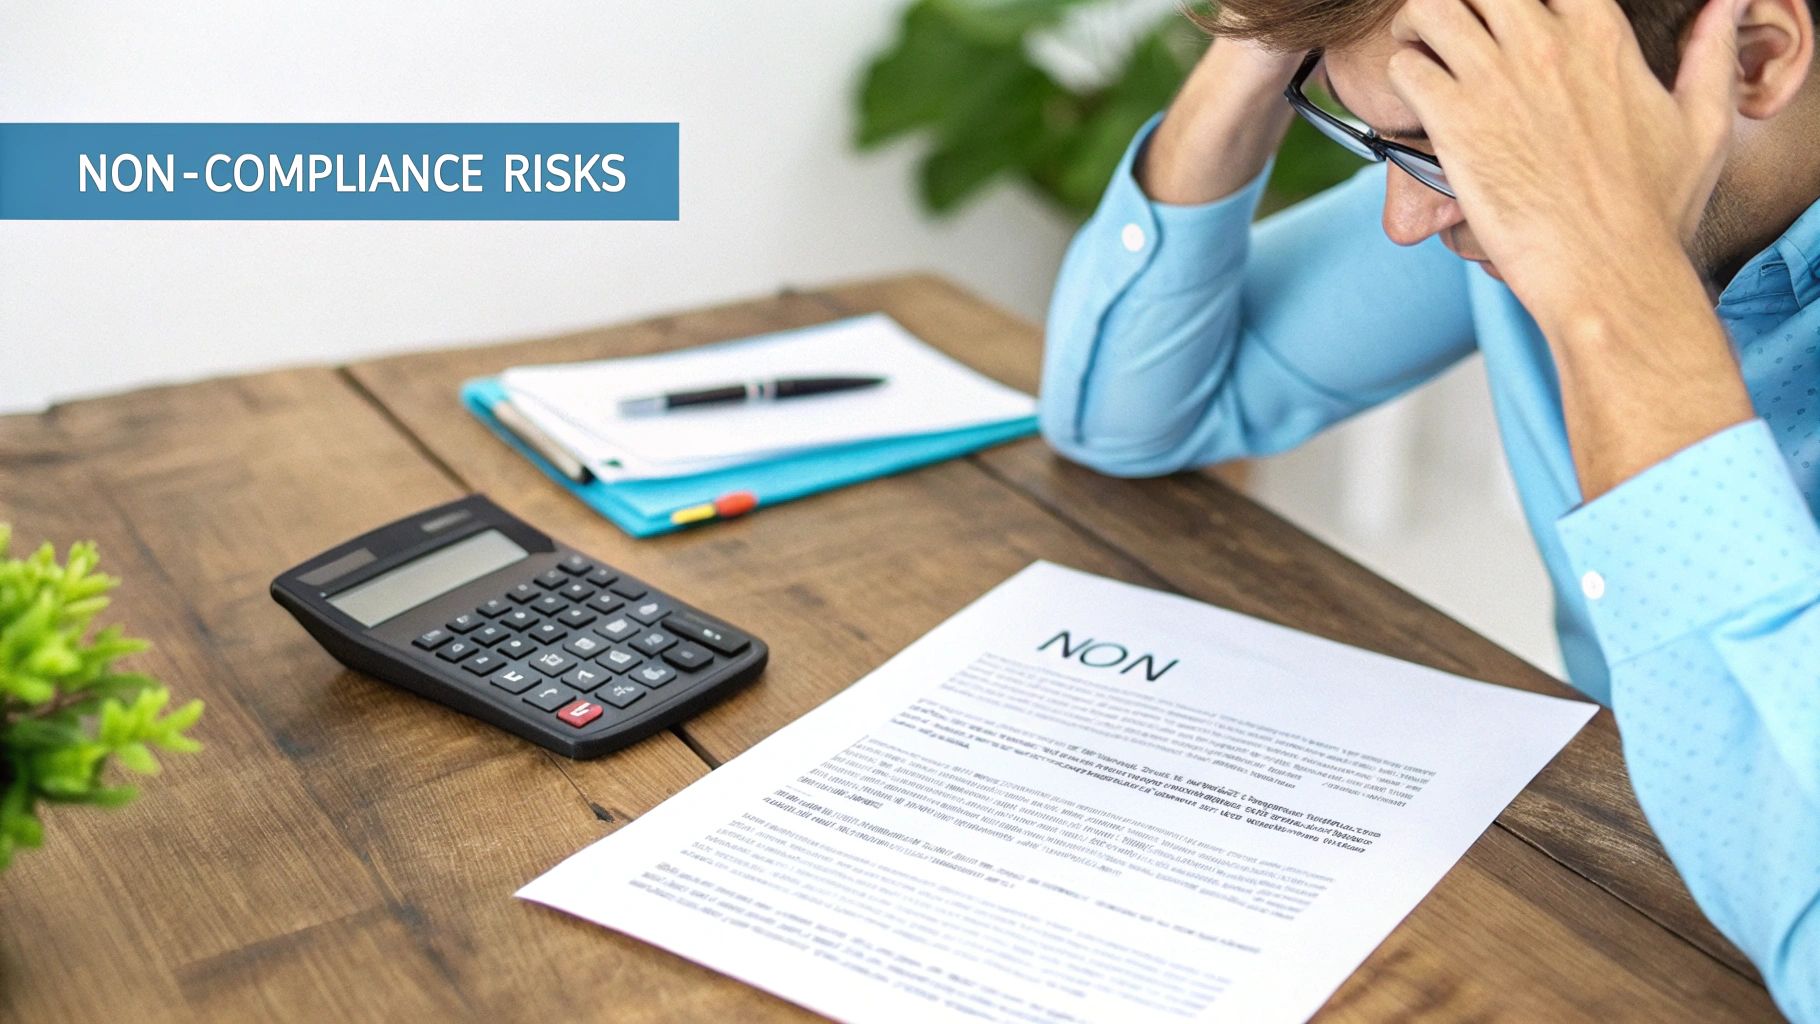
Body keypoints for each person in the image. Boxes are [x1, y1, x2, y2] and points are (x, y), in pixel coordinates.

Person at [1038, 0, 1820, 1016]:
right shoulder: (1488, 205)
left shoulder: (1540, 222)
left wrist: (1612, 292)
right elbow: (1125, 415)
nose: (1405, 220)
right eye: (1393, 146)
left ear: (1750, 61)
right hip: (1611, 880)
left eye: (1446, 153)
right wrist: (1269, 38)